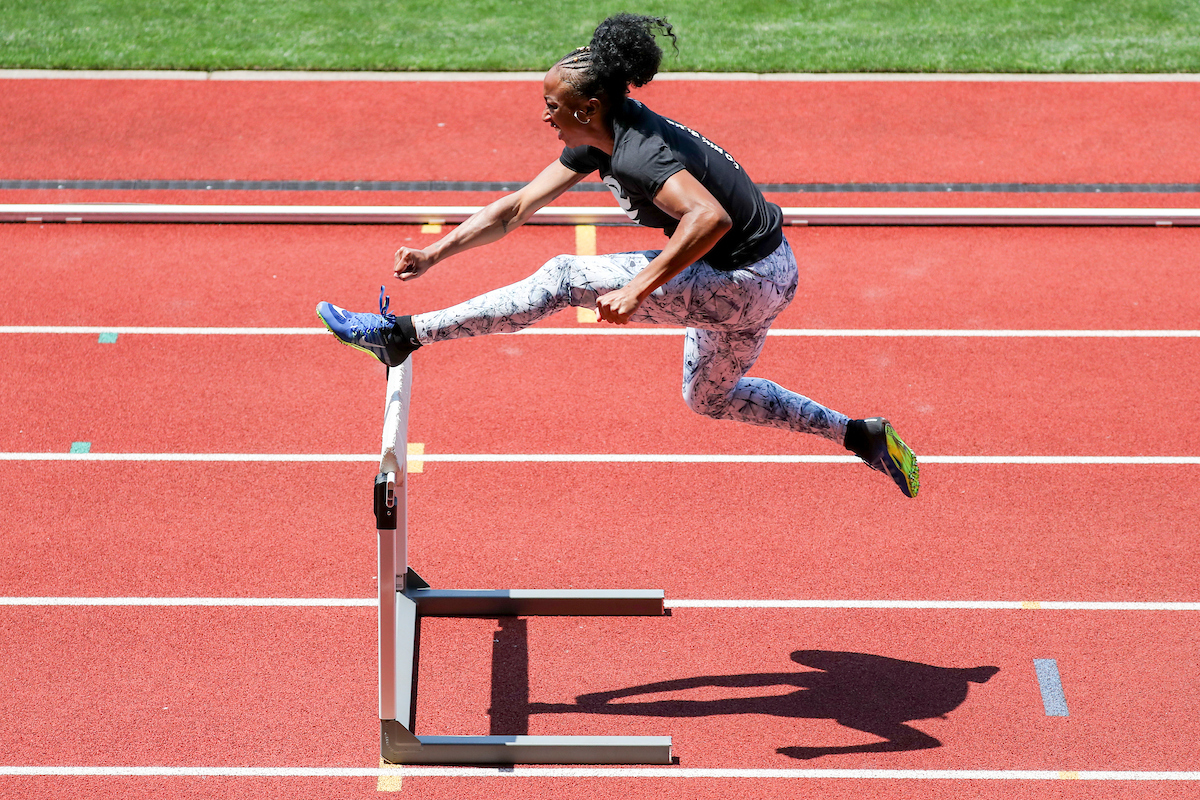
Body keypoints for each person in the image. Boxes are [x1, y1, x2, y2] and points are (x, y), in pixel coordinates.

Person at [317, 13, 919, 497]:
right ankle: (858, 434)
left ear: (587, 109)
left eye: (551, 105)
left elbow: (710, 217)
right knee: (708, 397)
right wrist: (434, 253)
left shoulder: (638, 152)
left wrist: (639, 288)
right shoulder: (599, 139)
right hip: (769, 272)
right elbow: (515, 209)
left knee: (564, 276)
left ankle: (401, 335)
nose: (543, 115)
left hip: (744, 277)